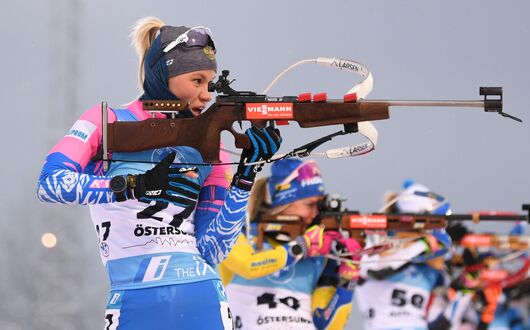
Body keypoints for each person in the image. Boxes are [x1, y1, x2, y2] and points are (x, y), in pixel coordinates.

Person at [36, 16, 281, 329]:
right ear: (165, 73)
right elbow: (50, 183)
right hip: (133, 300)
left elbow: (214, 249)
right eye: (197, 81)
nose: (207, 94)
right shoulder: (106, 121)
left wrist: (246, 177)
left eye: (210, 83)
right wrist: (132, 186)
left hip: (201, 296)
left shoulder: (210, 147)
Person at [218, 159, 361, 329]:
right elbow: (249, 266)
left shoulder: (319, 254)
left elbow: (326, 324)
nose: (316, 214)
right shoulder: (240, 232)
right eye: (310, 205)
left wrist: (348, 278)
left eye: (320, 205)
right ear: (284, 202)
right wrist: (301, 246)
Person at [355, 180, 473, 330]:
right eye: (431, 226)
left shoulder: (427, 270)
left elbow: (446, 323)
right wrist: (422, 245)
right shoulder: (372, 246)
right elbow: (376, 272)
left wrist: (467, 282)